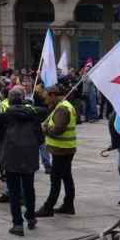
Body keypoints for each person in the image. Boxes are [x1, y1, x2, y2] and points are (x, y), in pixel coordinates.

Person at [0, 86, 44, 237]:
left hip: (11, 156)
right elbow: (40, 138)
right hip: (29, 156)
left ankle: (18, 224)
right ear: (23, 99)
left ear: (10, 100)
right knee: (29, 189)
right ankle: (31, 217)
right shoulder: (33, 115)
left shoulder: (4, 116)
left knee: (14, 192)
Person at [36, 84, 77, 217]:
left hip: (62, 150)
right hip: (65, 148)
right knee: (66, 176)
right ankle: (68, 205)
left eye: (46, 98)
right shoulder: (62, 106)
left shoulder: (62, 109)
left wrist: (45, 129)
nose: (45, 101)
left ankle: (48, 207)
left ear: (53, 95)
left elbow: (58, 130)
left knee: (55, 178)